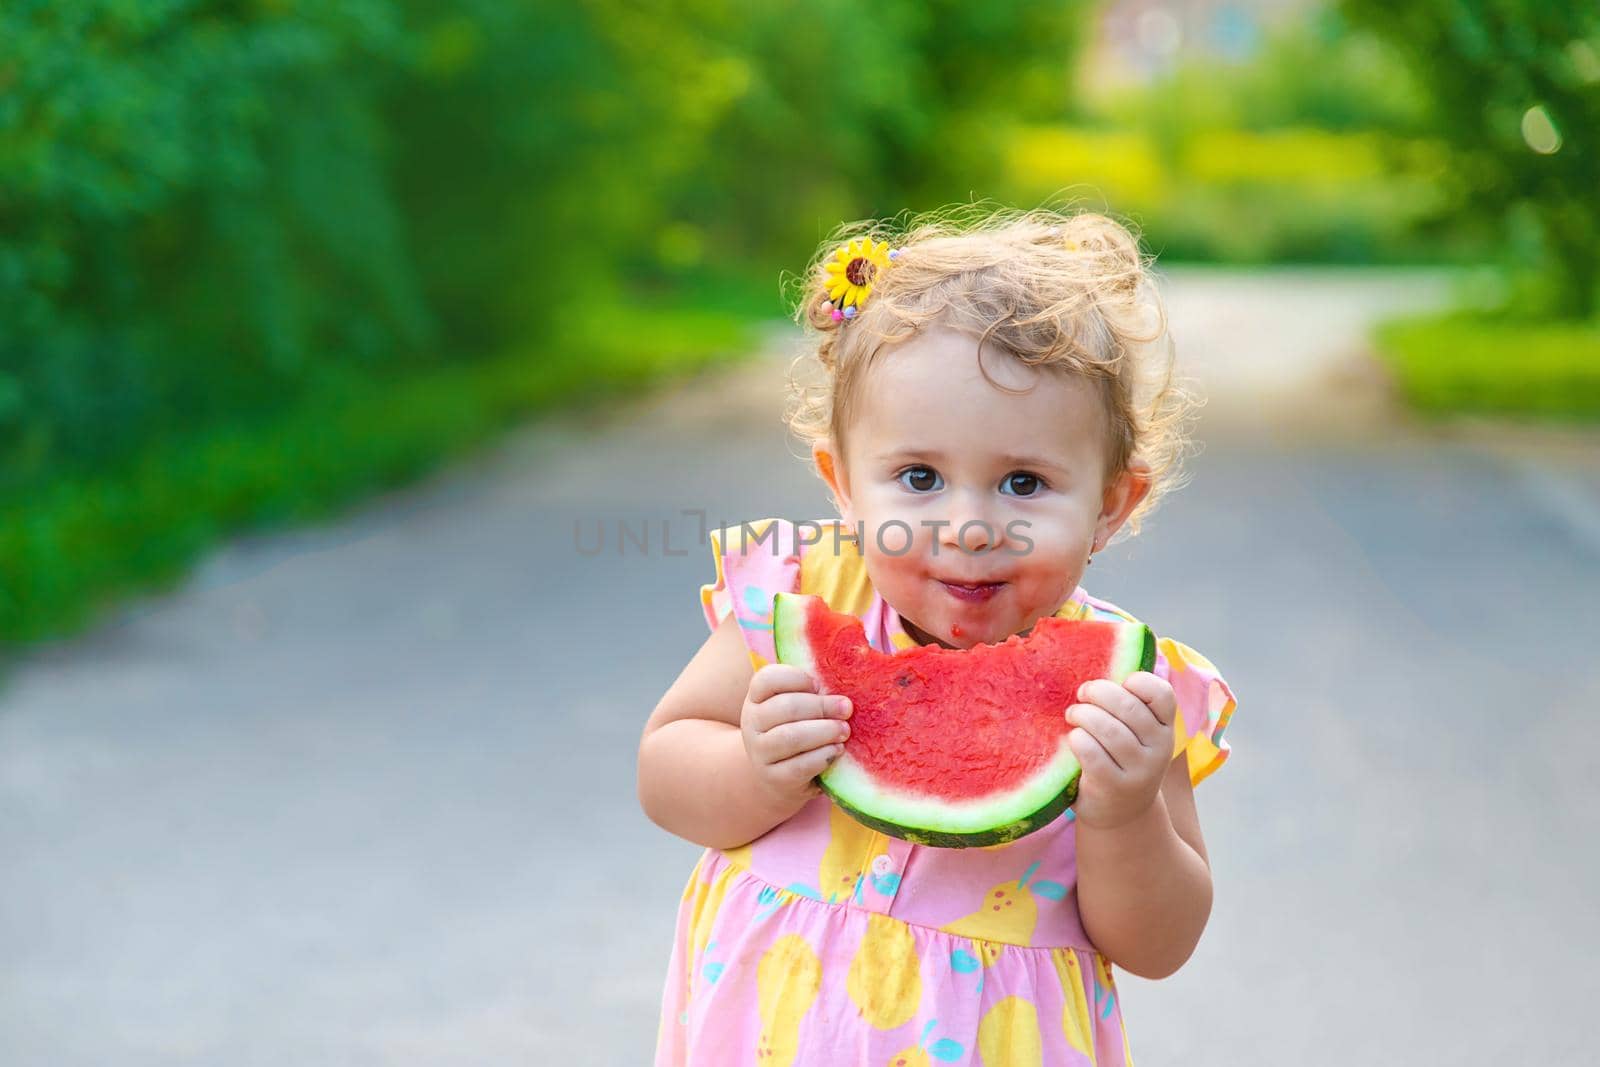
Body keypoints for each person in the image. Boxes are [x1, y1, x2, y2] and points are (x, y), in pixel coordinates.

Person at [637, 206, 1238, 1066]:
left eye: (1023, 483)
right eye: (919, 477)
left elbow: (1159, 942)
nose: (968, 526)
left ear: (1111, 503)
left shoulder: (1132, 692)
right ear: (843, 484)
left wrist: (1127, 812)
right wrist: (754, 771)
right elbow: (663, 770)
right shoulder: (799, 598)